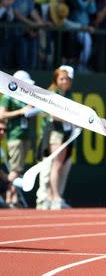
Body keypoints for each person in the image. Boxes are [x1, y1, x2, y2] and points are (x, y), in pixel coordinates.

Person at [36, 66, 75, 210]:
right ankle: (51, 198)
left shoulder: (68, 95)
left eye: (67, 79)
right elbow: (53, 115)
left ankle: (55, 197)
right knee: (54, 166)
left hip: (65, 134)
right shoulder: (52, 93)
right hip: (54, 132)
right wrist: (72, 118)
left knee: (59, 166)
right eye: (61, 79)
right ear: (56, 80)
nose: (65, 81)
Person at [0, 70, 34, 208]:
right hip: (14, 136)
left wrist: (30, 111)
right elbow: (1, 114)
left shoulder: (24, 97)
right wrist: (21, 111)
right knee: (15, 169)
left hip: (24, 135)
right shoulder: (8, 95)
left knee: (18, 169)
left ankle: (12, 197)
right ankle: (10, 197)